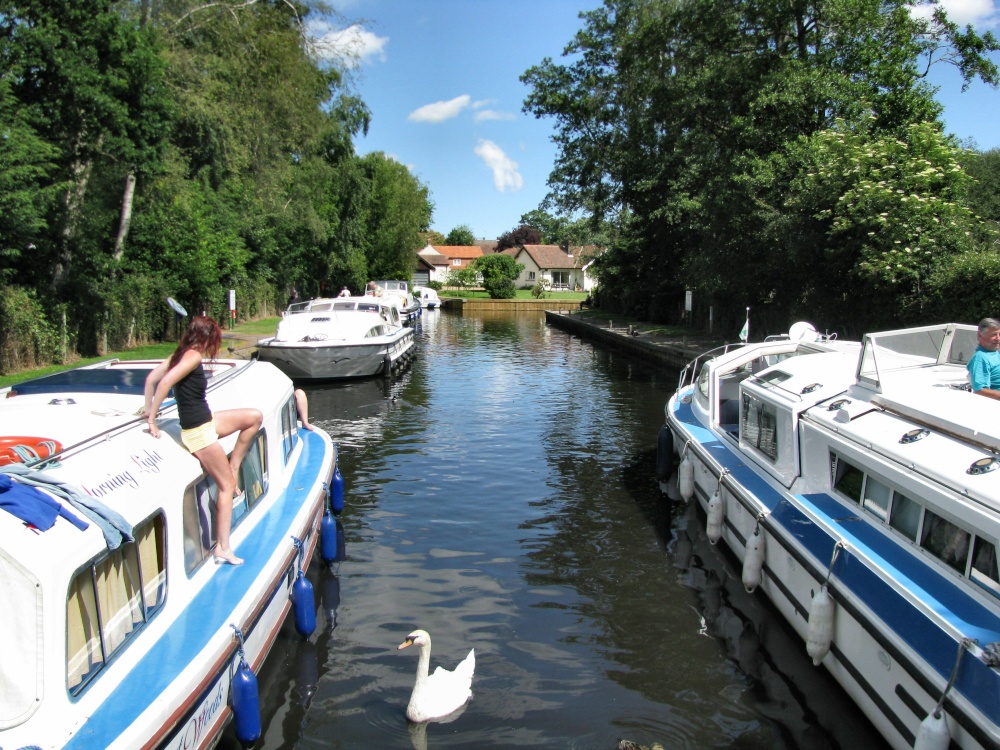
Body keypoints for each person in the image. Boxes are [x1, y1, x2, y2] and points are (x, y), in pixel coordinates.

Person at [143, 316, 262, 565]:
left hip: (206, 421)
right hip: (198, 432)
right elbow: (164, 382)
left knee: (253, 418)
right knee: (226, 487)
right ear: (209, 337)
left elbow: (151, 378)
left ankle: (234, 465)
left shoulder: (181, 354)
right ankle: (223, 547)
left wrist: (146, 409)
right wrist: (152, 419)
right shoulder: (193, 357)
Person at [967, 317, 1000, 400]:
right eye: (993, 335)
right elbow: (980, 390)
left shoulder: (994, 353)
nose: (998, 338)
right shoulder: (980, 358)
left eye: (999, 334)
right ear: (980, 335)